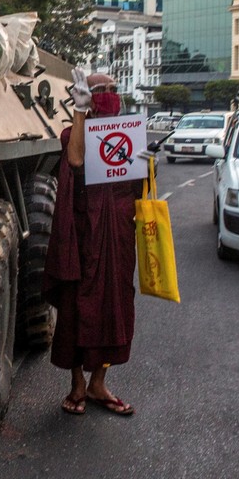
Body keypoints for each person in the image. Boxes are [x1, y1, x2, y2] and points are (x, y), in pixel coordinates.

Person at [43, 70, 144, 417]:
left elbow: (136, 181)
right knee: (76, 308)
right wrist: (81, 110)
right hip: (84, 232)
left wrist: (147, 163)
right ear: (88, 93)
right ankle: (77, 386)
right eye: (104, 89)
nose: (111, 94)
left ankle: (99, 383)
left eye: (115, 89)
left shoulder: (127, 132)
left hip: (118, 232)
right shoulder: (77, 131)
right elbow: (74, 159)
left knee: (115, 306)